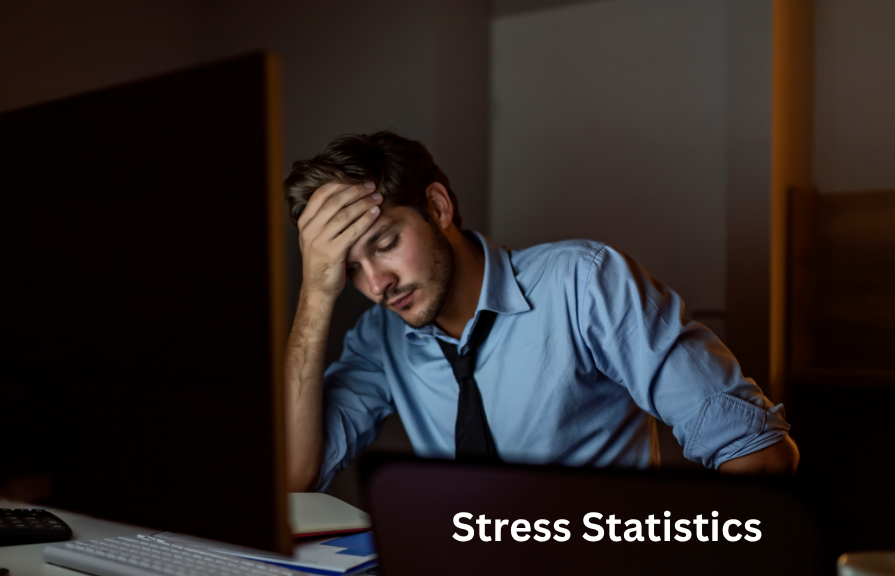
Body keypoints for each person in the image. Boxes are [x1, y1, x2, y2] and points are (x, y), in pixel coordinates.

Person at [282, 131, 798, 493]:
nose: (376, 284)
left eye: (387, 243)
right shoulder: (380, 337)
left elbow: (761, 457)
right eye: (349, 269)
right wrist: (314, 294)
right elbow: (295, 475)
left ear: (437, 207)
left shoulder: (584, 282)